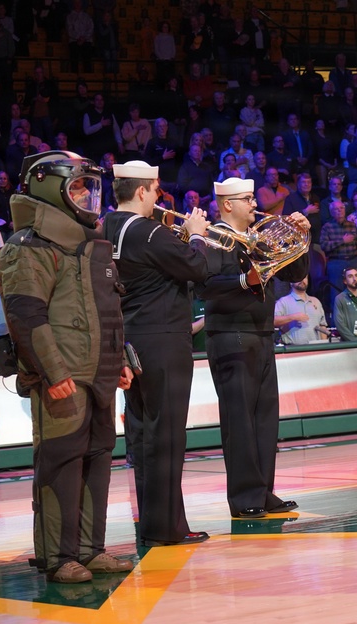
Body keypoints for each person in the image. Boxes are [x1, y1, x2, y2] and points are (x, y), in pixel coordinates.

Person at [0, 150, 134, 584]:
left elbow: (111, 308)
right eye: (76, 187)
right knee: (60, 463)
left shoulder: (91, 243)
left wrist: (121, 362)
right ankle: (58, 557)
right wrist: (54, 374)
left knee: (97, 460)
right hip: (64, 377)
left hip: (99, 374)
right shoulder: (28, 245)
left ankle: (91, 551)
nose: (85, 196)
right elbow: (27, 317)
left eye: (88, 188)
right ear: (45, 186)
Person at [102, 160, 211, 547]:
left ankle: (151, 522)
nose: (159, 195)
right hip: (164, 340)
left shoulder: (108, 226)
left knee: (144, 435)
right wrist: (194, 235)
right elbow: (197, 266)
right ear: (143, 190)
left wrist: (178, 238)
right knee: (167, 436)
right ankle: (167, 527)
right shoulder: (148, 232)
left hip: (132, 339)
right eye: (156, 188)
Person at [198, 177, 309, 518]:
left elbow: (295, 272)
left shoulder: (256, 237)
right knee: (240, 421)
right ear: (228, 204)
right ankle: (244, 496)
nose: (254, 204)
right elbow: (205, 285)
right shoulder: (214, 237)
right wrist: (247, 280)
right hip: (230, 335)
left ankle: (263, 491)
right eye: (247, 199)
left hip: (260, 333)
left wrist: (304, 235)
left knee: (264, 419)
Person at [274, 277, 329, 344]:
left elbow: (322, 326)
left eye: (305, 278)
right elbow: (274, 321)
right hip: (294, 350)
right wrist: (293, 317)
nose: (302, 280)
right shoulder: (283, 302)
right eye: (299, 277)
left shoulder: (316, 301)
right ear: (291, 283)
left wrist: (324, 346)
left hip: (315, 349)